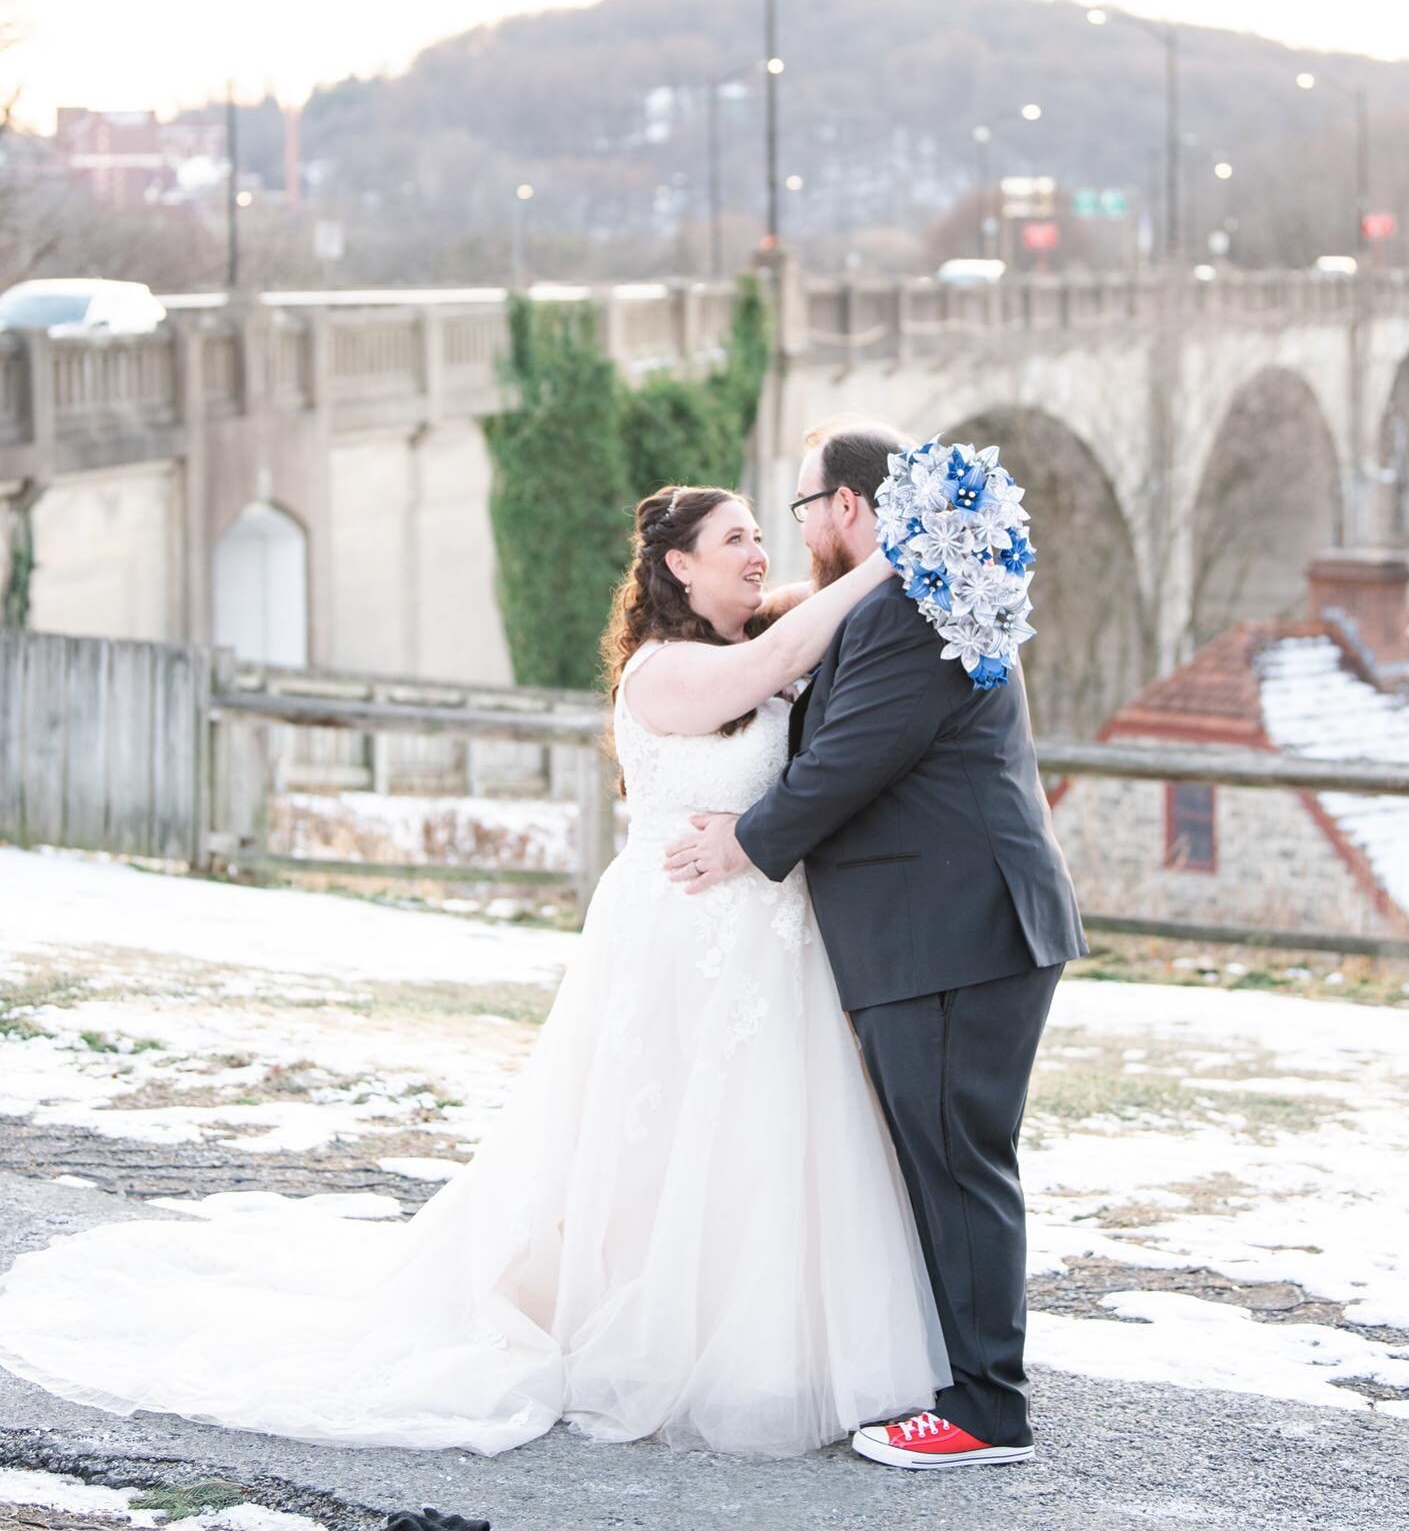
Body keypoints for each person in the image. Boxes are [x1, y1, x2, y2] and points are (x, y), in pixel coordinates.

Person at [0, 483, 949, 1460]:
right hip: (676, 934)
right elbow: (788, 651)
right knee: (652, 1139)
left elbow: (802, 628)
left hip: (768, 944)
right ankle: (636, 1329)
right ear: (678, 566)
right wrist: (895, 555)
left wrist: (895, 564)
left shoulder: (743, 645)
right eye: (737, 539)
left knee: (756, 1141)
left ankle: (762, 1340)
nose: (759, 552)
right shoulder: (662, 674)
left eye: (762, 534)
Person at [664, 421, 1087, 1470]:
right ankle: (954, 1379)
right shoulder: (915, 592)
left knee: (955, 1161)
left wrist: (743, 845)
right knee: (941, 1158)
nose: (801, 528)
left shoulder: (908, 606)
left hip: (954, 932)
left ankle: (987, 1410)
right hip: (951, 928)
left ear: (847, 507)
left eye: (804, 509)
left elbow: (853, 758)